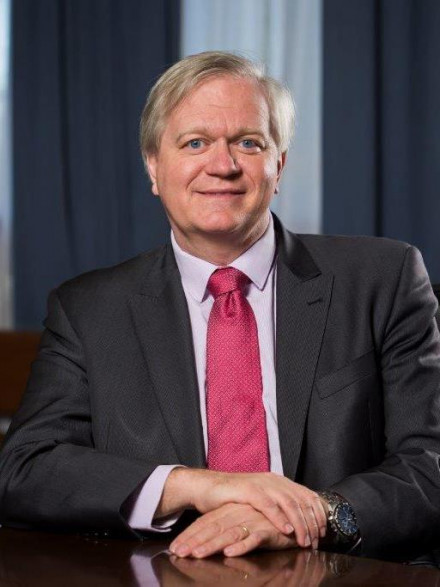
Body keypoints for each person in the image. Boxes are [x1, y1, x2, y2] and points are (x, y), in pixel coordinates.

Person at [1, 51, 440, 562]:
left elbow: (431, 462)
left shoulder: (384, 279)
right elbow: (24, 471)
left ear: (279, 165)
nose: (223, 165)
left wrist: (313, 515)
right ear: (153, 167)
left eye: (248, 143)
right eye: (195, 142)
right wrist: (194, 487)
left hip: (341, 572)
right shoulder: (87, 310)